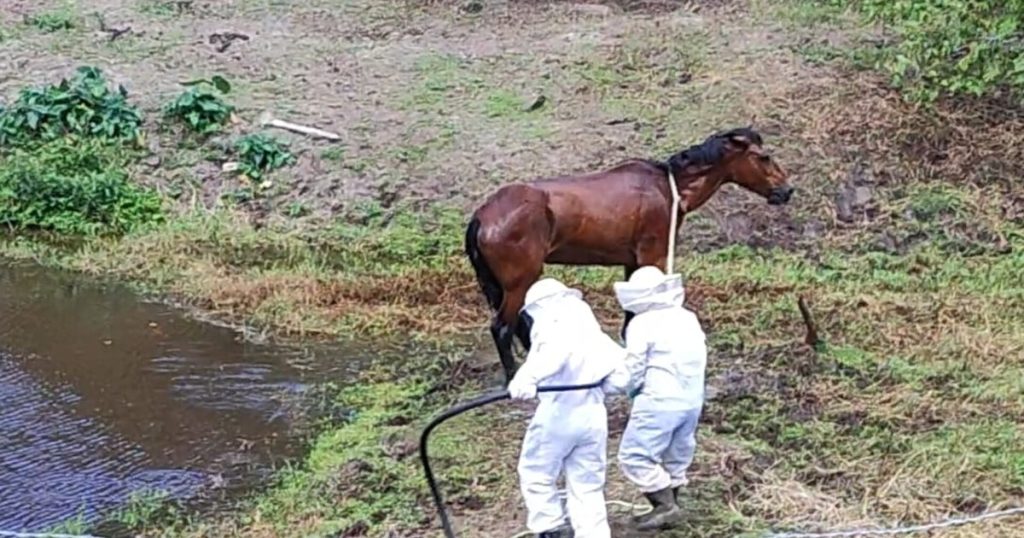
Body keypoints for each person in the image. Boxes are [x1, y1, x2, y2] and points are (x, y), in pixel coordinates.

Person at [507, 277, 630, 538]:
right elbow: (623, 372)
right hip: (594, 415)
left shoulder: (553, 325)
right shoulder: (588, 328)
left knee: (536, 471)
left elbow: (553, 355)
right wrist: (606, 383)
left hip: (559, 414)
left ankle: (550, 527)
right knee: (587, 482)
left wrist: (526, 378)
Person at [614, 266, 707, 531]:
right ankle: (669, 510)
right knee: (676, 454)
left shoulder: (642, 323)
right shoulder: (688, 317)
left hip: (658, 400)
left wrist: (619, 386)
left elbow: (633, 367)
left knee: (635, 456)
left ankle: (666, 507)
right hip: (691, 400)